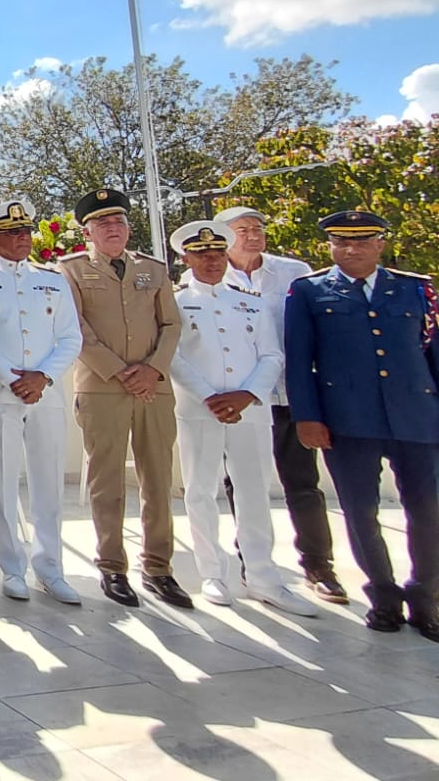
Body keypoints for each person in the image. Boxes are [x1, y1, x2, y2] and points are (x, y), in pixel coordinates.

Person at [285, 210, 439, 639]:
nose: (351, 249)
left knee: (427, 511)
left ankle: (426, 596)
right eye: (341, 242)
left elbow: (432, 354)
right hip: (349, 420)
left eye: (362, 241)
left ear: (380, 244)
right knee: (360, 511)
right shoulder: (310, 291)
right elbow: (300, 361)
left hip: (416, 416)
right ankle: (384, 596)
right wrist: (308, 417)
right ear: (330, 246)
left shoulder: (416, 289)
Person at [167, 221, 316, 618]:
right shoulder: (176, 301)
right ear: (186, 258)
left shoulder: (249, 301)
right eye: (202, 254)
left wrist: (247, 394)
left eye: (217, 253)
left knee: (253, 492)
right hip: (201, 409)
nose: (212, 260)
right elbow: (173, 355)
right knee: (200, 490)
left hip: (250, 410)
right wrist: (211, 397)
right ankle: (212, 573)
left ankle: (264, 576)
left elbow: (271, 354)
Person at [59, 188, 188, 609]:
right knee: (107, 481)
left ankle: (158, 567)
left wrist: (152, 370)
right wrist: (119, 371)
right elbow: (76, 328)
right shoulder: (72, 270)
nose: (112, 229)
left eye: (119, 222)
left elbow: (170, 324)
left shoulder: (152, 269)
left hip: (154, 387)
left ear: (129, 228)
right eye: (103, 223)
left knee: (158, 478)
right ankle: (112, 566)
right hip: (102, 388)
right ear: (88, 231)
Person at [214, 205, 345, 603]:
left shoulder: (293, 272)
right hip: (241, 398)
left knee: (302, 482)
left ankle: (318, 565)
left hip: (289, 393)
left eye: (258, 228)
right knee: (242, 483)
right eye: (242, 229)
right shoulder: (207, 275)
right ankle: (250, 561)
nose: (253, 235)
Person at [0, 199, 83, 604]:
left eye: (26, 231)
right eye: (13, 233)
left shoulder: (52, 278)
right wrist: (12, 378)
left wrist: (42, 377)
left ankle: (51, 568)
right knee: (2, 481)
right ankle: (12, 567)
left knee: (49, 482)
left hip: (44, 393)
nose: (23, 239)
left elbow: (70, 336)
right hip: (0, 394)